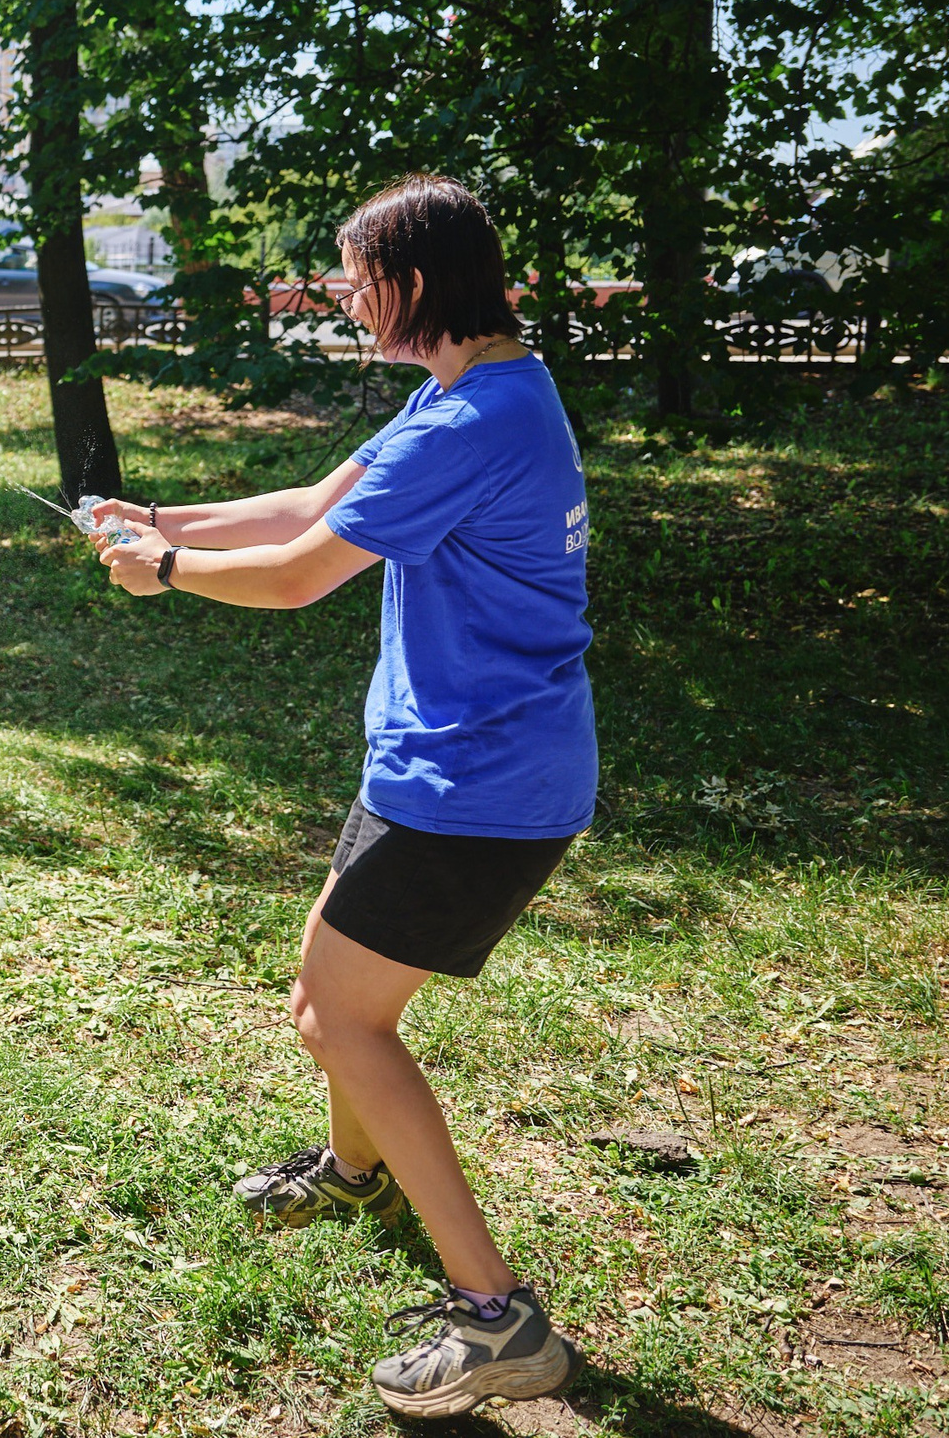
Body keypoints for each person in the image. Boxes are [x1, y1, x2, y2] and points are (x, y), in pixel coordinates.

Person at [92, 174, 593, 1417]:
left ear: (411, 285)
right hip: (443, 772)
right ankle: (355, 1174)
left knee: (340, 1021)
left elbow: (302, 574)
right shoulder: (479, 394)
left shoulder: (464, 425)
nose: (344, 297)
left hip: (474, 792)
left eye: (355, 277)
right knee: (328, 997)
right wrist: (160, 516)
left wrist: (163, 572)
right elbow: (310, 504)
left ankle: (498, 1318)